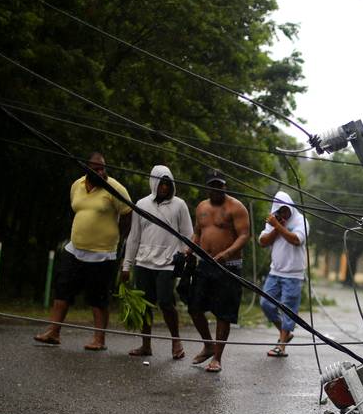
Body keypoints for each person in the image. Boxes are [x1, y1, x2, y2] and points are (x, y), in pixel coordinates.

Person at [34, 152, 131, 350]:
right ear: (86, 169)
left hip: (103, 253)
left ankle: (99, 339)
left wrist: (119, 240)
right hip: (75, 249)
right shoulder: (76, 185)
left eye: (103, 168)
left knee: (98, 297)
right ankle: (54, 332)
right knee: (63, 289)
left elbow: (128, 215)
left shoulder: (114, 187)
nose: (101, 172)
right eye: (96, 169)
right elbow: (77, 210)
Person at [120, 165, 194, 359]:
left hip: (168, 263)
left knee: (166, 302)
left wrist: (185, 255)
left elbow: (189, 235)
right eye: (161, 183)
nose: (164, 187)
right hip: (144, 262)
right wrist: (126, 265)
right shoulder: (141, 204)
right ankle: (146, 345)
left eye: (168, 184)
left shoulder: (179, 205)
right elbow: (134, 237)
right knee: (145, 305)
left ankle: (176, 341)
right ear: (154, 182)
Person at [187, 170, 250, 373]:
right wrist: (190, 247)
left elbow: (244, 236)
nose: (216, 189)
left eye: (219, 185)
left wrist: (226, 253)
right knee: (194, 307)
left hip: (228, 266)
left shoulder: (236, 207)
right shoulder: (202, 207)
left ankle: (217, 357)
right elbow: (198, 231)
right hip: (205, 264)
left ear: (225, 186)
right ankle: (208, 344)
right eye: (212, 185)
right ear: (208, 187)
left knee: (224, 313)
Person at [258, 190, 308, 357]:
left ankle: (281, 345)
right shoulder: (274, 221)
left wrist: (278, 226)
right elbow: (263, 242)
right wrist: (275, 227)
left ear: (291, 208)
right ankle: (284, 333)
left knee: (288, 309)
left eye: (285, 210)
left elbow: (296, 240)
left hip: (293, 275)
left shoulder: (301, 221)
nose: (283, 214)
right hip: (275, 271)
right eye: (280, 211)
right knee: (266, 303)